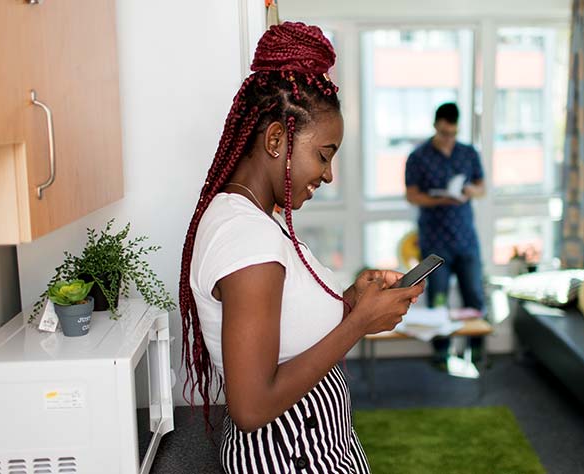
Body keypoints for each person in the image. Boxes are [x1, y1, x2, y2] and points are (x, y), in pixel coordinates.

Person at [179, 22, 424, 473]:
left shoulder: (254, 221)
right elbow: (251, 407)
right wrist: (358, 325)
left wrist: (351, 302)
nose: (328, 175)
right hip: (290, 458)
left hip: (311, 452)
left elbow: (288, 324)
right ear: (276, 140)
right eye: (324, 154)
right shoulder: (246, 238)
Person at [404, 102, 486, 368]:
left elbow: (481, 186)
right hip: (435, 241)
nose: (448, 137)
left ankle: (477, 351)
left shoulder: (468, 153)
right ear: (435, 126)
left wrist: (468, 192)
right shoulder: (418, 156)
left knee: (473, 294)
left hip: (465, 238)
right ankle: (441, 353)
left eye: (452, 133)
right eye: (443, 133)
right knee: (437, 297)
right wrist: (438, 199)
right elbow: (412, 195)